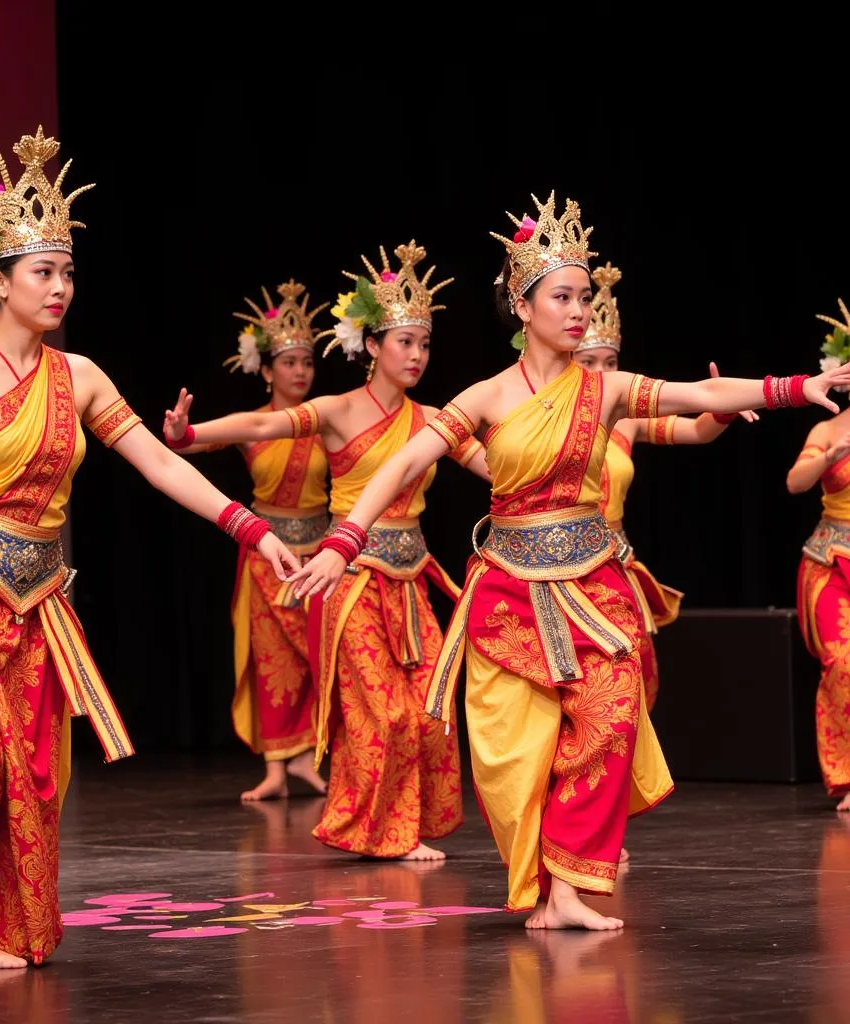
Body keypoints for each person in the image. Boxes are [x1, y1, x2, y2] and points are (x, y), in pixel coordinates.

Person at [290, 193, 850, 927]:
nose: (578, 309)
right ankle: (554, 892)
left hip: (595, 582)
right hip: (511, 589)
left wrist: (790, 390)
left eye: (584, 296)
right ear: (522, 308)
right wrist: (342, 539)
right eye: (562, 296)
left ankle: (568, 889)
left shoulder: (607, 388)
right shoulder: (487, 396)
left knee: (614, 718)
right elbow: (399, 467)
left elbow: (700, 394)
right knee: (520, 748)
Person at [0, 127, 297, 972]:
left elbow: (160, 463)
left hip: (37, 601)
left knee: (27, 775)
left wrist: (251, 526)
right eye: (42, 273)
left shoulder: (81, 376)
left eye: (66, 272)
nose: (60, 287)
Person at [164, 241, 489, 859]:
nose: (417, 355)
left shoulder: (435, 420)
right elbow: (263, 426)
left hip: (412, 582)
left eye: (424, 344)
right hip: (353, 580)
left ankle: (391, 824)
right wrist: (191, 435)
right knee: (384, 711)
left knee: (428, 710)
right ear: (371, 347)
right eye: (403, 343)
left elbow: (496, 466)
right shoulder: (339, 411)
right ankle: (381, 831)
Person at [573, 262, 757, 711]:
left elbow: (697, 431)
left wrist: (725, 407)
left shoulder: (627, 418)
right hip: (560, 566)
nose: (601, 371)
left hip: (614, 562)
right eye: (588, 361)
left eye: (610, 363)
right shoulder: (540, 415)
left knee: (636, 681)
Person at [179, 280, 330, 801]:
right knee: (274, 662)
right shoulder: (255, 425)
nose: (300, 372)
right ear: (266, 370)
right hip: (268, 557)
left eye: (306, 362)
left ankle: (310, 760)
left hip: (318, 554)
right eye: (288, 363)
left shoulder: (326, 421)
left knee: (319, 657)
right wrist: (182, 433)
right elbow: (193, 445)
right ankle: (274, 767)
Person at [789, 298, 850, 811]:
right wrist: (826, 459)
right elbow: (795, 481)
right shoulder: (829, 430)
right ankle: (847, 777)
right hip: (832, 561)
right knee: (843, 661)